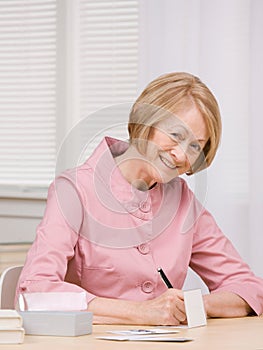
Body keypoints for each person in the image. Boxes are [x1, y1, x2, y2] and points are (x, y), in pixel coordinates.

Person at [16, 72, 263, 325]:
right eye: (176, 135)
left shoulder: (183, 201)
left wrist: (191, 306)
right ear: (146, 123)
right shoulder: (73, 191)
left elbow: (248, 287)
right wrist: (142, 312)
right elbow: (35, 291)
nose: (180, 154)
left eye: (195, 146)